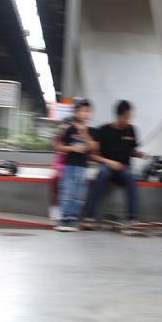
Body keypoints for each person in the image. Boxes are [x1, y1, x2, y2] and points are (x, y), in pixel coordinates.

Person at [83, 100, 146, 223]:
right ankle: (90, 215)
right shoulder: (103, 130)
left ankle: (132, 217)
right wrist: (109, 162)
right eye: (126, 117)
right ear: (118, 116)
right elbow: (93, 156)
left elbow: (131, 150)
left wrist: (138, 154)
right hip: (107, 165)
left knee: (130, 176)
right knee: (102, 174)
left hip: (124, 166)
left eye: (129, 117)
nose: (128, 120)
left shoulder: (131, 130)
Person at [53, 99, 95, 232]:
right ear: (76, 112)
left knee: (79, 192)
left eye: (88, 111)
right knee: (68, 190)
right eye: (83, 111)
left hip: (82, 167)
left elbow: (93, 147)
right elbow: (59, 147)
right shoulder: (69, 128)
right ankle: (64, 216)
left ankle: (73, 217)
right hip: (69, 165)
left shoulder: (90, 131)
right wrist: (73, 148)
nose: (86, 114)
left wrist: (84, 133)